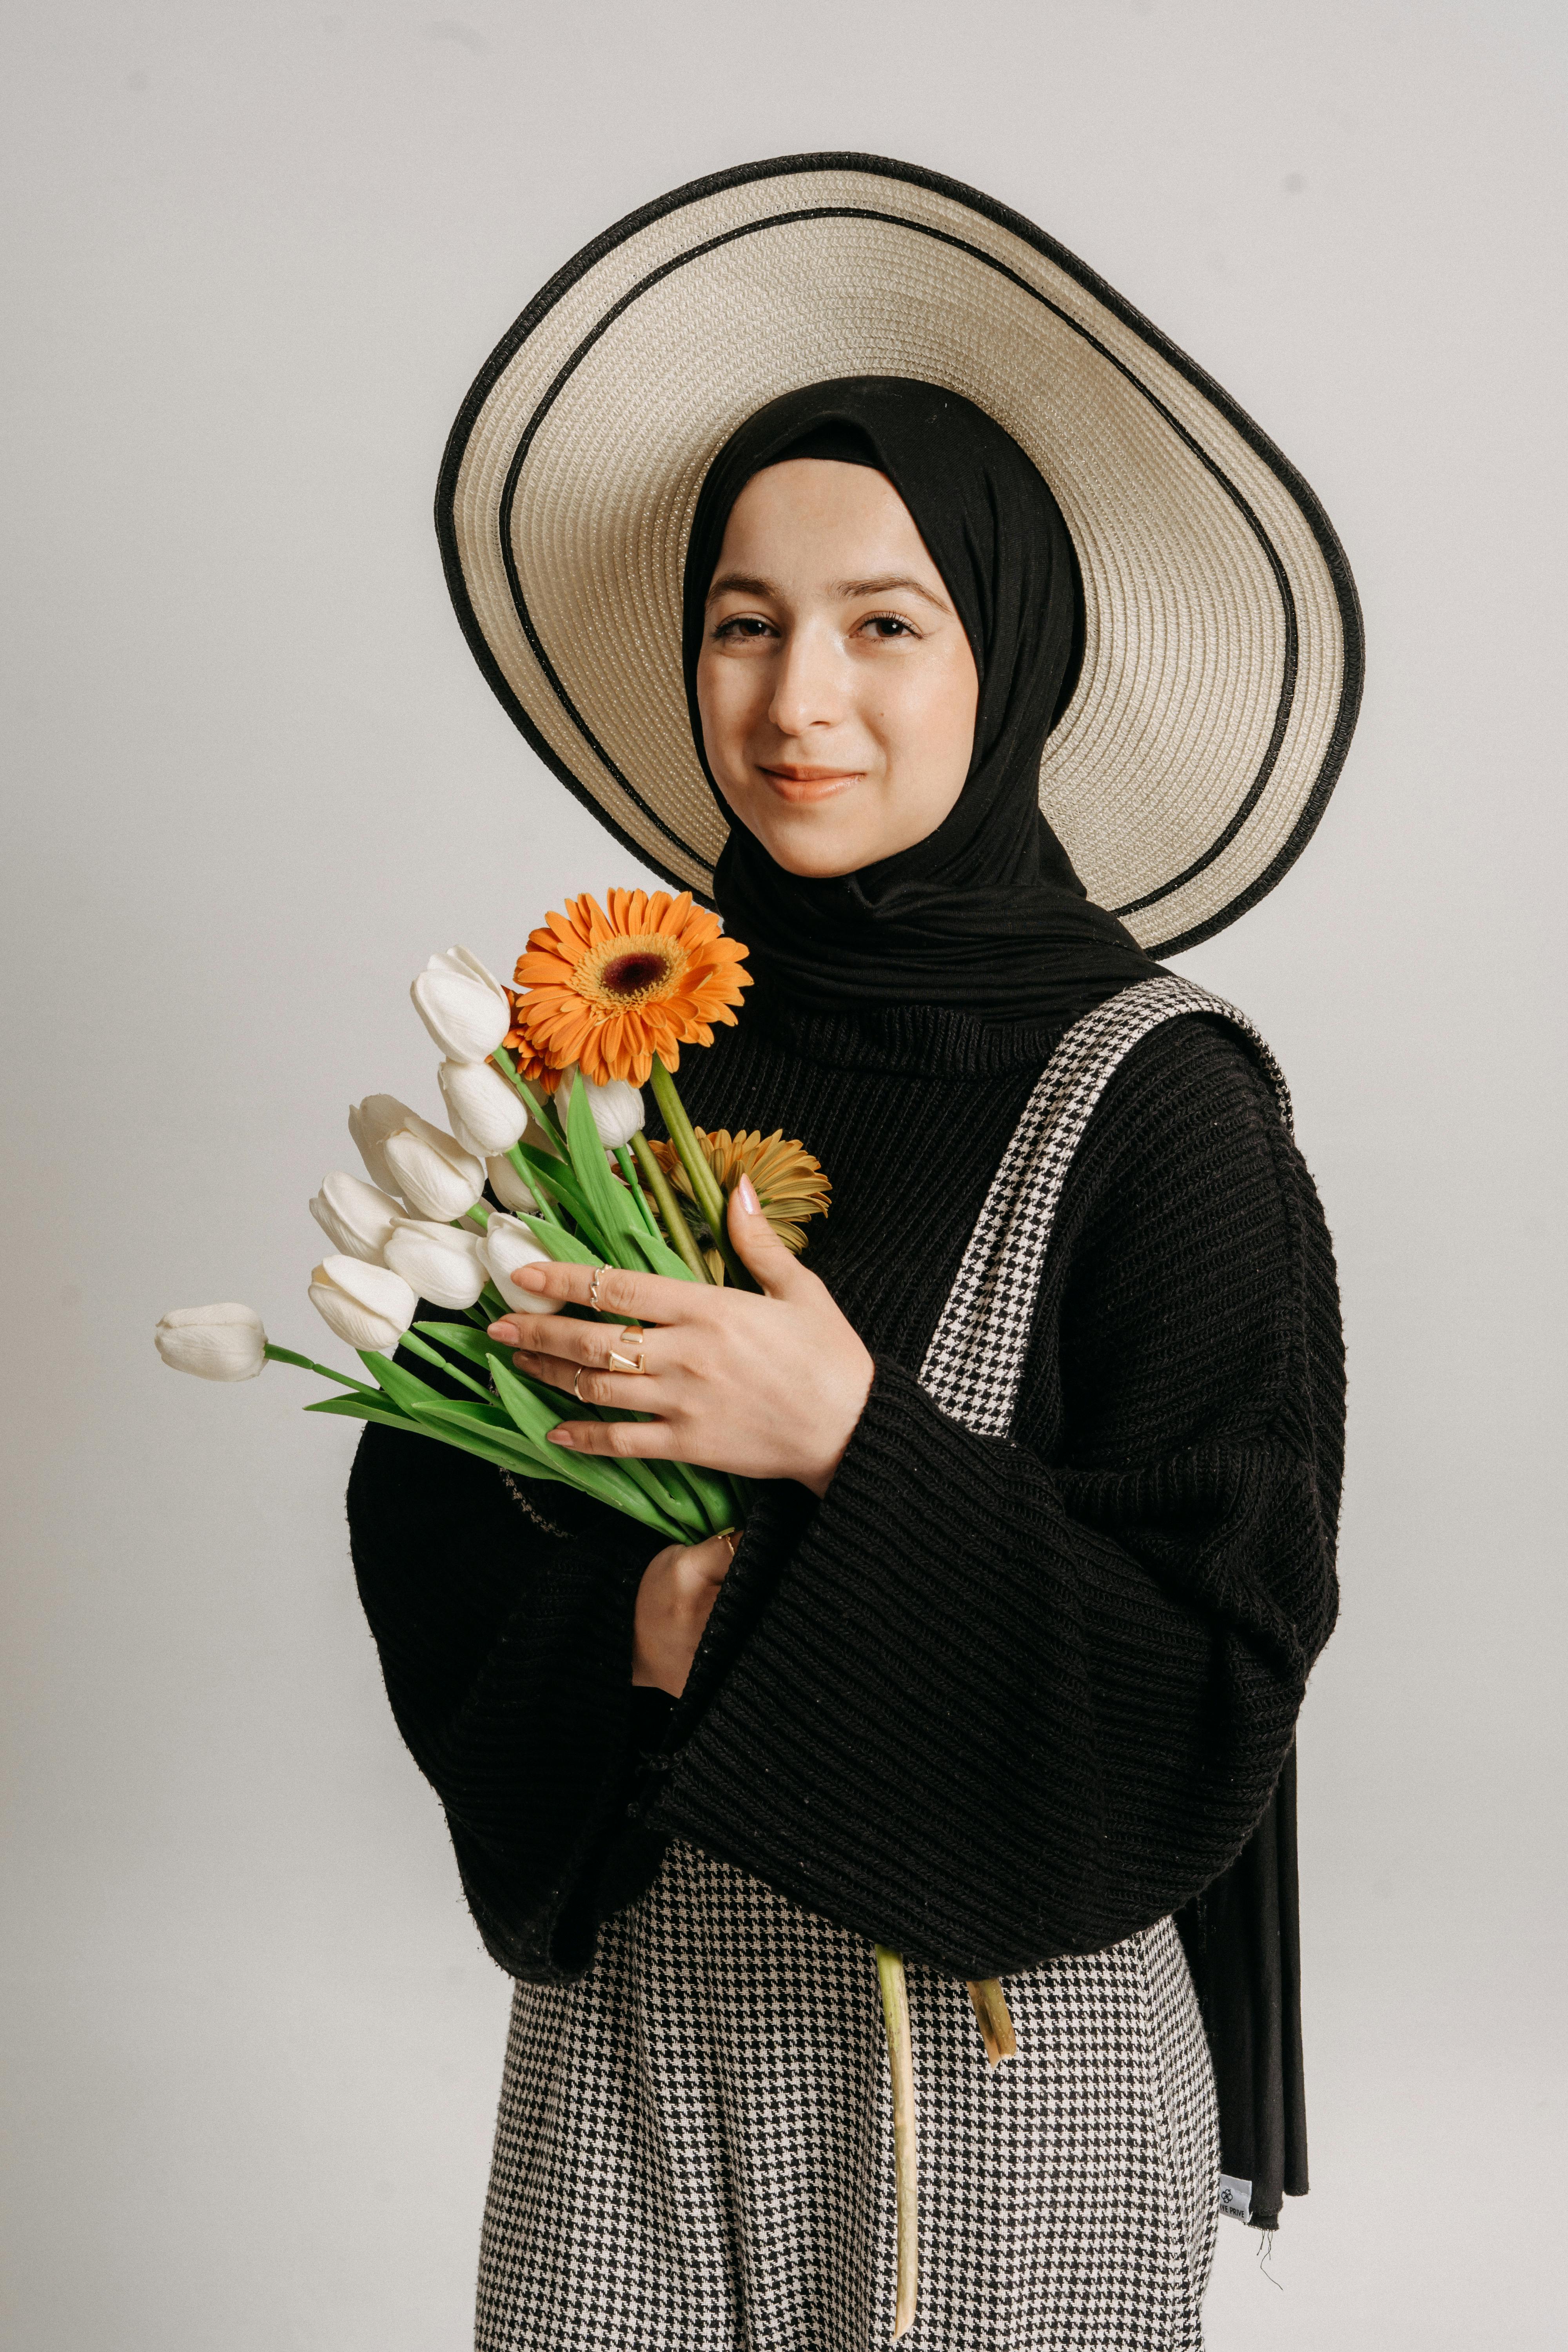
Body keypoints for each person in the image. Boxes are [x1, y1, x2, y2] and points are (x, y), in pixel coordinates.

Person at [357, 161, 1361, 2351]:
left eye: (886, 622)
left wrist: (842, 1439)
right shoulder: (616, 1057)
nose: (797, 693)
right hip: (643, 2056)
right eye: (743, 619)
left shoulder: (1167, 1108)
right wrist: (642, 1614)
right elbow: (435, 1505)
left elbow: (1220, 1673)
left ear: (1007, 659)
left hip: (1011, 2086)